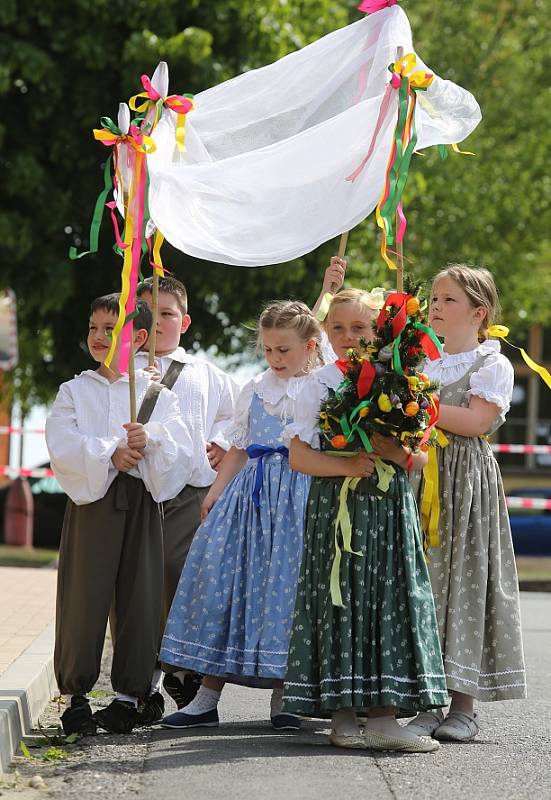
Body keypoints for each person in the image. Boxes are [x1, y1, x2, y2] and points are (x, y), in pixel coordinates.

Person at [281, 288, 449, 752]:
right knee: (340, 596)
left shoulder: (400, 378)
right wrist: (347, 464)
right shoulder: (317, 384)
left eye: (359, 328)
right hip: (337, 507)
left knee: (387, 595)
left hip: (387, 505)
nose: (348, 337)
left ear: (379, 331)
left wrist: (392, 448)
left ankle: (383, 713)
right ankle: (341, 715)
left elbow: (415, 459)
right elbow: (298, 456)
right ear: (325, 332)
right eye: (337, 327)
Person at [158, 301, 322, 730]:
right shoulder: (255, 387)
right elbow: (239, 447)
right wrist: (215, 491)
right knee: (229, 585)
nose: (275, 359)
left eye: (284, 350)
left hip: (299, 498)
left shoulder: (323, 387)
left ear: (310, 346)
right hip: (249, 496)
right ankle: (205, 698)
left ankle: (284, 697)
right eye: (268, 350)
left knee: (286, 593)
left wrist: (329, 289)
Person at [46, 294, 194, 736]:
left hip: (142, 504)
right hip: (94, 503)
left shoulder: (156, 394)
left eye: (111, 330)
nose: (99, 336)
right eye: (94, 327)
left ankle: (131, 696)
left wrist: (147, 442)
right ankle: (75, 697)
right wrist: (110, 453)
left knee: (140, 595)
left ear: (140, 337)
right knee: (83, 595)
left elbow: (179, 450)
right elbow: (62, 443)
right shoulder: (74, 391)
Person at [406, 265, 526, 743]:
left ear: (479, 312)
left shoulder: (490, 364)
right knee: (425, 585)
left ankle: (464, 705)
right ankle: (427, 700)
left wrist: (414, 404)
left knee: (464, 582)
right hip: (418, 479)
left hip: (464, 485)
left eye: (449, 299)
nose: (436, 305)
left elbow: (476, 422)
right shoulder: (420, 362)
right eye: (434, 297)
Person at [135, 276, 240, 722]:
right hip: (134, 492)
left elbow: (236, 416)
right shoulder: (119, 372)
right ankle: (141, 686)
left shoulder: (205, 372)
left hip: (190, 494)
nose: (156, 323)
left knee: (180, 585)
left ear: (185, 320)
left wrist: (219, 441)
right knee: (137, 591)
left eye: (166, 314)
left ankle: (182, 672)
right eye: (146, 313)